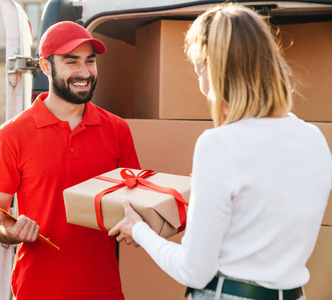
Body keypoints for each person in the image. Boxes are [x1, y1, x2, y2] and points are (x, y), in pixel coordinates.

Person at [109, 4, 331, 300]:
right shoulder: (315, 138)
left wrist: (138, 230)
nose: (201, 83)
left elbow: (193, 271)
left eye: (199, 67)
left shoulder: (219, 144)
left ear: (214, 69)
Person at [0, 21, 140, 300]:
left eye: (90, 61)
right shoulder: (12, 134)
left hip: (102, 289)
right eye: (71, 62)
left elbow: (133, 201)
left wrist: (136, 224)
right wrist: (11, 231)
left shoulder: (117, 130)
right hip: (36, 289)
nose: (84, 72)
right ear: (46, 67)